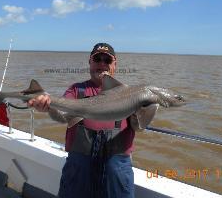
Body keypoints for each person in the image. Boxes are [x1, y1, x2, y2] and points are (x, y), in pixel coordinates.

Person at [28, 43, 142, 198]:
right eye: (97, 59)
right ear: (90, 62)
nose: (102, 64)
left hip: (116, 174)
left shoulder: (130, 93)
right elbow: (62, 117)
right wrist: (49, 108)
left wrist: (141, 111)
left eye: (107, 60)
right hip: (79, 171)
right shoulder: (76, 90)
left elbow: (138, 127)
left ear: (115, 64)